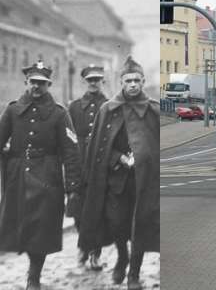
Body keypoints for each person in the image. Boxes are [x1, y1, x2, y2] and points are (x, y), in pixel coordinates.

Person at [0, 60, 81, 290]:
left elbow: (71, 152)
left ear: (49, 84)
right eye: (33, 82)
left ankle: (34, 275)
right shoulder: (13, 110)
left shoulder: (60, 114)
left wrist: (73, 187)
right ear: (26, 82)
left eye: (42, 83)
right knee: (23, 226)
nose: (37, 87)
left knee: (41, 229)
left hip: (48, 180)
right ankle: (32, 269)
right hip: (18, 179)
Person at [79, 56, 159, 290]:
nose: (132, 84)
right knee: (117, 224)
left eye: (136, 80)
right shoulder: (108, 109)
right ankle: (122, 256)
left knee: (140, 225)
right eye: (128, 80)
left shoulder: (153, 110)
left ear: (143, 81)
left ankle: (133, 273)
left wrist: (143, 158)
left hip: (143, 182)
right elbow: (99, 147)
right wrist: (120, 158)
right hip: (116, 179)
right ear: (121, 82)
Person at [68, 64, 109, 270]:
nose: (94, 83)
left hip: (103, 167)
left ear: (102, 81)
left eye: (97, 79)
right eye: (90, 80)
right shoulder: (74, 107)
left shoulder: (111, 105)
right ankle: (84, 246)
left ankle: (94, 253)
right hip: (80, 166)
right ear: (84, 82)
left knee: (100, 212)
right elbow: (68, 139)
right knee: (78, 211)